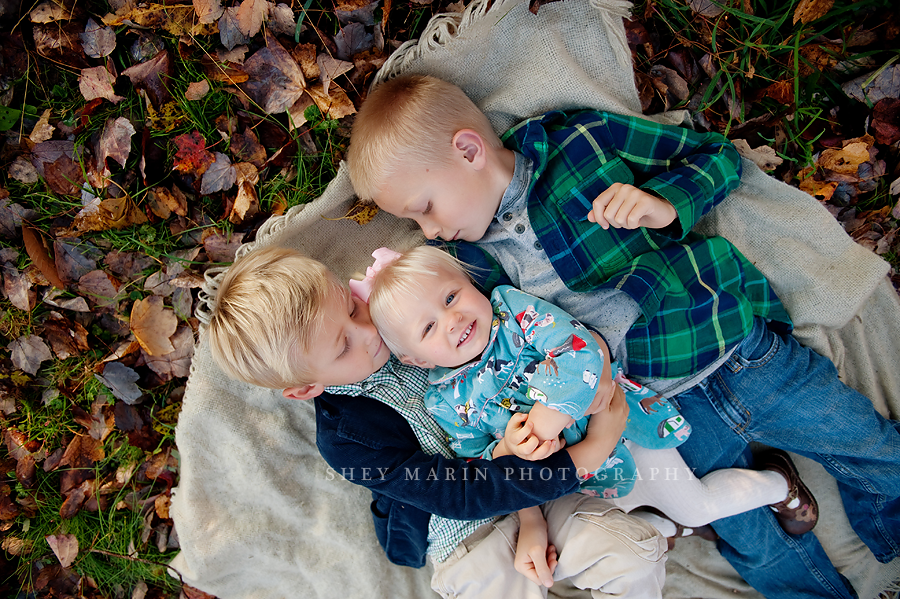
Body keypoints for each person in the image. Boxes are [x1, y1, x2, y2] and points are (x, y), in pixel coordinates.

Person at [346, 73, 900, 599]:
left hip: (728, 344)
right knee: (748, 539)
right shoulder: (463, 271)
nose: (431, 232)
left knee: (867, 444)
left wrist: (664, 205)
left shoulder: (579, 144)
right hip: (658, 411)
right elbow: (466, 358)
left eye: (425, 210)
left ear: (468, 151)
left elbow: (715, 157)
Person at [206, 245, 669, 598]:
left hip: (544, 483)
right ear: (306, 388)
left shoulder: (415, 308)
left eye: (350, 308)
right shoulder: (346, 441)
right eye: (342, 346)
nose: (368, 334)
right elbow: (458, 493)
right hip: (471, 533)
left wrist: (593, 366)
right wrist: (587, 454)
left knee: (631, 553)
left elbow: (527, 321)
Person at [362, 244, 818, 589]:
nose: (453, 319)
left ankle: (779, 483)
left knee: (694, 502)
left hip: (624, 435)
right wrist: (525, 504)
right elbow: (488, 470)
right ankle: (667, 526)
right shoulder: (444, 401)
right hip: (575, 482)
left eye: (451, 297)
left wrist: (543, 423)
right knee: (608, 542)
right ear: (415, 360)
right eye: (428, 328)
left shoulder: (512, 311)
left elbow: (578, 350)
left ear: (471, 287)